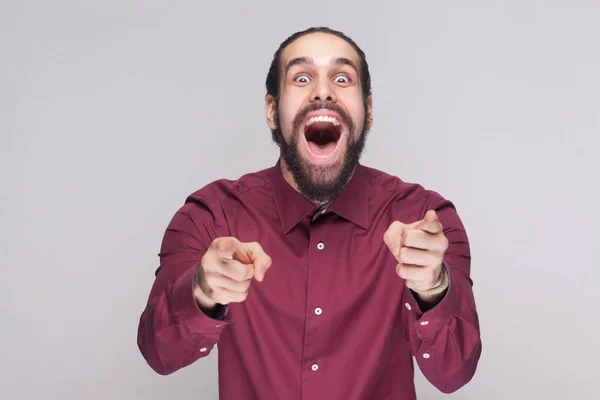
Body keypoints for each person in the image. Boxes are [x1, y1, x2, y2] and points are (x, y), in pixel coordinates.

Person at [137, 26, 482, 400]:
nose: (322, 90)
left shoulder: (426, 220)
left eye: (342, 77)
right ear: (272, 111)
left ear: (367, 112)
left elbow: (455, 371)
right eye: (302, 78)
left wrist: (433, 288)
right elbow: (159, 353)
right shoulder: (211, 216)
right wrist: (202, 293)